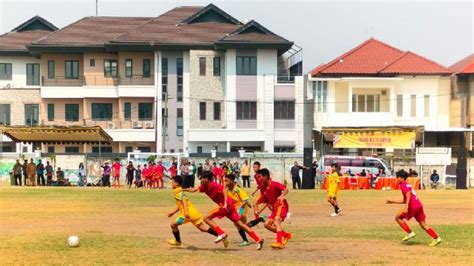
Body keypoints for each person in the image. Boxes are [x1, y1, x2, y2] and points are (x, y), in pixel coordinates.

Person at [386, 170, 442, 246]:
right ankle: (436, 238)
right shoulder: (408, 185)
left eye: (397, 177)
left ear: (402, 178)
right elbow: (405, 200)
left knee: (398, 218)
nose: (397, 179)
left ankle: (410, 233)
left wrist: (406, 207)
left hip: (413, 207)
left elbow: (408, 195)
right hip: (419, 205)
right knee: (423, 224)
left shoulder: (403, 185)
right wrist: (392, 201)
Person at [167, 175, 223, 247]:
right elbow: (180, 205)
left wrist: (186, 211)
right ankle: (220, 234)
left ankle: (178, 241)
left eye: (172, 182)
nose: (171, 184)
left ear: (177, 183)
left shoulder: (178, 191)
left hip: (187, 214)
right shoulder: (178, 190)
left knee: (173, 225)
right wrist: (173, 212)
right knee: (203, 228)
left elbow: (183, 201)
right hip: (193, 213)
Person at [224, 173, 264, 248]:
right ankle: (260, 219)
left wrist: (241, 211)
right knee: (244, 226)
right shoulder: (228, 190)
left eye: (226, 181)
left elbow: (245, 200)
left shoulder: (237, 189)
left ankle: (246, 240)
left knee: (238, 224)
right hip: (236, 209)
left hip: (242, 208)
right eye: (224, 181)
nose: (225, 183)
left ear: (232, 181)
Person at [257, 168, 292, 249]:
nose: (259, 179)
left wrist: (282, 195)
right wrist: (259, 210)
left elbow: (286, 190)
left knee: (276, 222)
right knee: (266, 224)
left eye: (260, 177)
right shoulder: (264, 187)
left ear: (265, 176)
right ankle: (286, 235)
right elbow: (266, 201)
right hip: (274, 209)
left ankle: (279, 242)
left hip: (281, 206)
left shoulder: (275, 184)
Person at [247, 161, 268, 228]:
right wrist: (255, 191)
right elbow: (259, 185)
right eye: (253, 167)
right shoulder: (255, 176)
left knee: (255, 204)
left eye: (256, 167)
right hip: (263, 193)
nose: (254, 168)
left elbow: (265, 183)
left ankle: (258, 220)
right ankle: (259, 219)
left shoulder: (261, 175)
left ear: (259, 167)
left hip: (266, 193)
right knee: (270, 207)